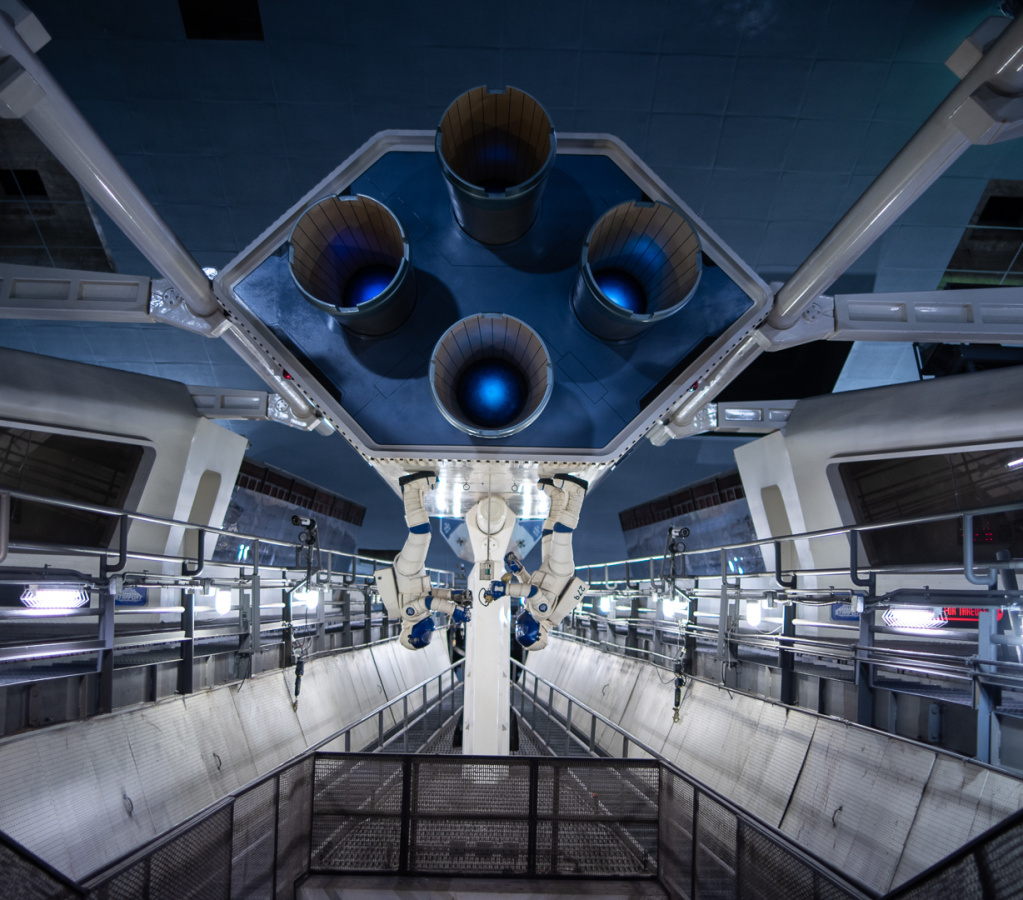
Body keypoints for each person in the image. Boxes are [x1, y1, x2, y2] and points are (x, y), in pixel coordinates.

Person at [487, 474, 588, 651]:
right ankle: (577, 493)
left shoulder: (531, 611)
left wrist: (519, 572)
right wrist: (506, 590)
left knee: (548, 531)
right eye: (523, 630)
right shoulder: (542, 613)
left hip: (547, 567)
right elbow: (532, 591)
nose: (520, 627)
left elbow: (528, 586)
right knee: (561, 532)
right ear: (538, 633)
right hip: (559, 570)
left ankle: (557, 496)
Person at [375, 471, 471, 650]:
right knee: (423, 533)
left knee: (421, 533)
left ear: (410, 634)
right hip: (413, 573)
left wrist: (453, 610)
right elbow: (430, 594)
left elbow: (429, 602)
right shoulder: (419, 615)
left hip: (408, 571)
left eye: (424, 635)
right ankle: (419, 492)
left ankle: (410, 489)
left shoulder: (410, 614)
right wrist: (452, 595)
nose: (428, 631)